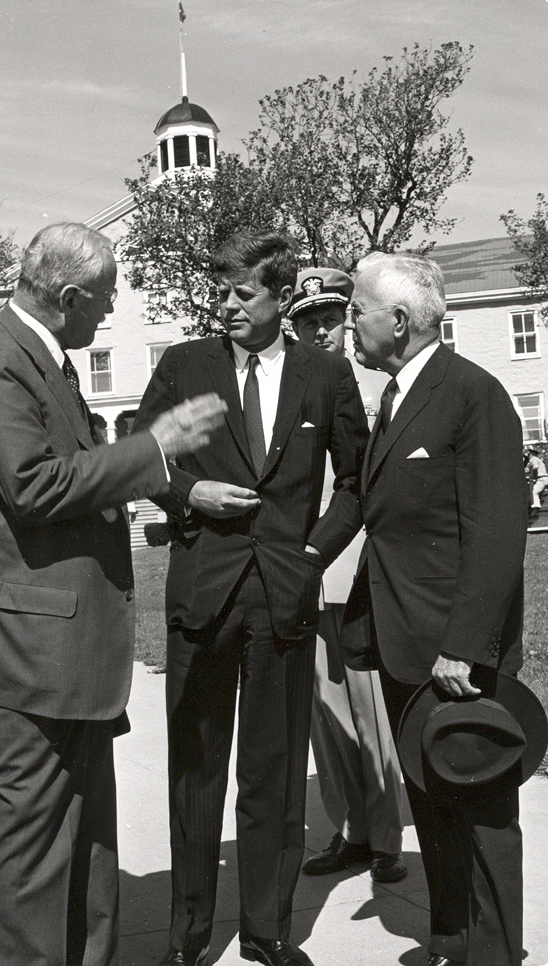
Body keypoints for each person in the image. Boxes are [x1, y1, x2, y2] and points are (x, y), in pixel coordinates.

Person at [0, 222, 226, 966]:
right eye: (103, 301)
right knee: (33, 860)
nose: (109, 313)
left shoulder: (45, 359)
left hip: (65, 657)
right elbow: (33, 486)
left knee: (87, 850)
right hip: (29, 658)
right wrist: (152, 448)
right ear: (67, 296)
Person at [132, 232, 369, 966]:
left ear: (280, 297)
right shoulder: (185, 364)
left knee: (272, 775)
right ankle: (188, 937)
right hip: (203, 594)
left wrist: (311, 552)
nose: (227, 306)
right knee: (195, 776)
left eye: (244, 295)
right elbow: (140, 455)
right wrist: (187, 491)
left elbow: (359, 482)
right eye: (222, 293)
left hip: (284, 598)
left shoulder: (324, 376)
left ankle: (267, 929)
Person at [342, 251, 528, 966]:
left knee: (481, 817)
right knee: (433, 805)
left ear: (398, 320)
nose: (350, 322)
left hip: (455, 657)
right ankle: (451, 942)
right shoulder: (392, 397)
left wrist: (465, 646)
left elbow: (496, 531)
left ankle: (496, 955)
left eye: (357, 309)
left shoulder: (472, 393)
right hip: (401, 646)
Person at [288, 268, 405, 883]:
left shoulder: (377, 383)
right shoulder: (288, 386)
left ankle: (386, 837)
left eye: (330, 318)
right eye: (307, 320)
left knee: (371, 709)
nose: (320, 330)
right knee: (324, 715)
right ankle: (348, 829)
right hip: (306, 569)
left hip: (359, 564)